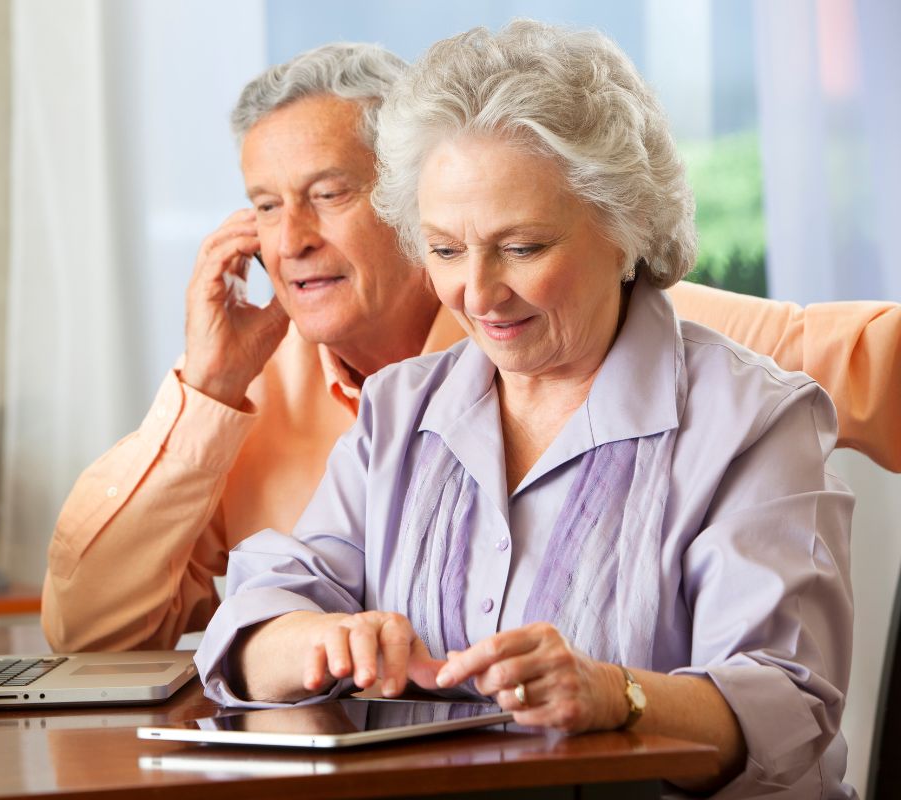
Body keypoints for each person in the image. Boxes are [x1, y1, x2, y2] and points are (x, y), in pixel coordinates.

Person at [41, 40, 899, 656]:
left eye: (329, 193)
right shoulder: (247, 400)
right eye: (265, 206)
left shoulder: (625, 325)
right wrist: (208, 386)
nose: (290, 239)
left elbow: (874, 363)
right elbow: (93, 632)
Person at [195, 22, 853, 798]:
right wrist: (317, 641)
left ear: (626, 229)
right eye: (444, 250)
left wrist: (617, 695)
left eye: (522, 248)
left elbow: (785, 703)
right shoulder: (403, 406)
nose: (477, 294)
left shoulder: (755, 420)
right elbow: (263, 609)